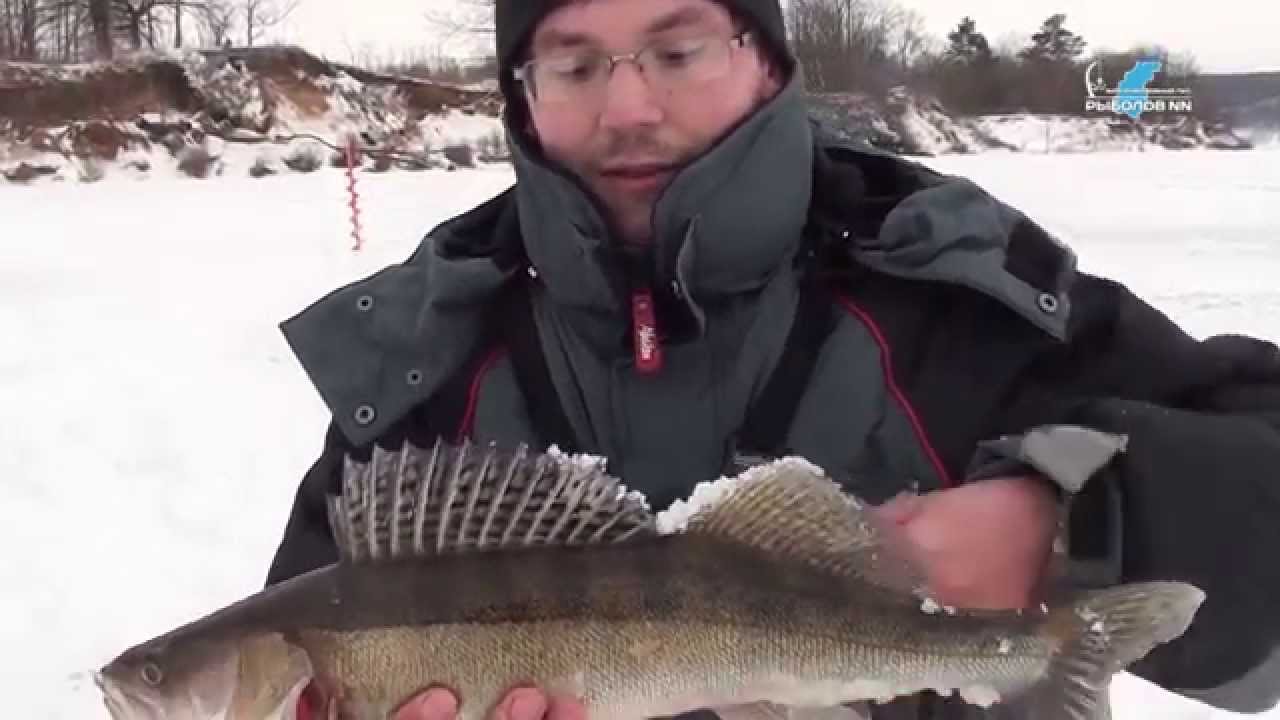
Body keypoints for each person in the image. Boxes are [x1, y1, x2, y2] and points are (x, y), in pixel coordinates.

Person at [265, 0, 1280, 718]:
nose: (627, 110)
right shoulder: (422, 367)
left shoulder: (957, 296)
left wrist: (1080, 515)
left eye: (678, 48)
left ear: (765, 57)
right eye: (573, 65)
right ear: (522, 97)